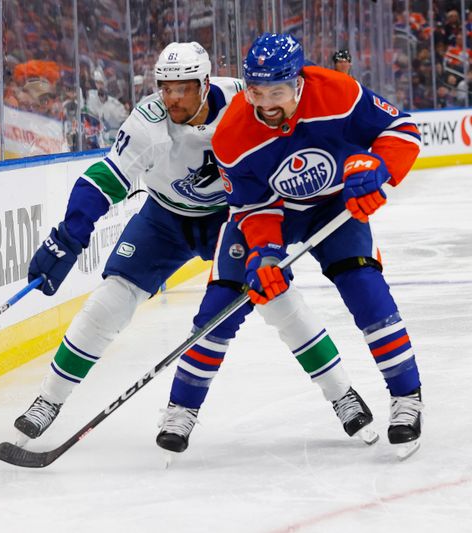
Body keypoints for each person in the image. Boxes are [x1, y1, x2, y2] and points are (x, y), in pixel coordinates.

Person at [11, 42, 375, 450]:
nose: (172, 98)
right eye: (165, 88)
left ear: (204, 84)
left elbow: (295, 120)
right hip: (165, 219)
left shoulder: (243, 98)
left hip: (234, 216)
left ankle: (341, 393)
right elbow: (105, 178)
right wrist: (69, 236)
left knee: (278, 299)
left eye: (183, 88)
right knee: (108, 303)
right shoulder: (149, 122)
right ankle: (49, 400)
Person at [161, 33, 423, 457]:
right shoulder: (232, 134)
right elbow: (250, 208)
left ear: (298, 83)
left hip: (335, 206)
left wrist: (379, 168)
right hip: (271, 213)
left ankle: (407, 398)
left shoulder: (338, 93)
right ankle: (181, 409)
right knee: (220, 305)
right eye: (257, 91)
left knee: (366, 292)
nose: (266, 104)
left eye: (277, 92)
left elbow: (401, 129)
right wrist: (264, 254)